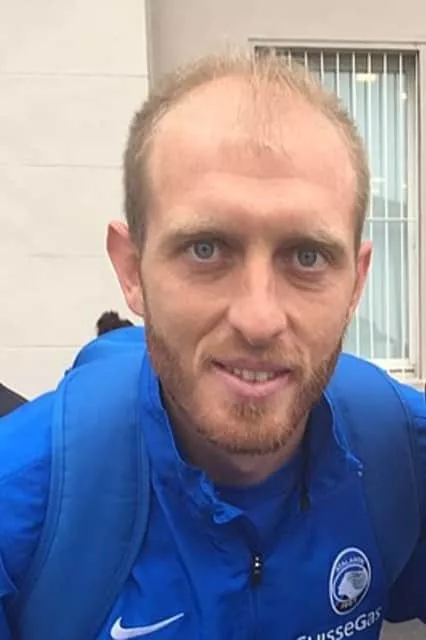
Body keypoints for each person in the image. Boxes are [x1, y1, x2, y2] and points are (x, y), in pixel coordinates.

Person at [0, 50, 425, 640]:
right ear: (131, 269)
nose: (259, 319)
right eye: (206, 249)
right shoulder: (20, 504)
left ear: (356, 282)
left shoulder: (402, 454)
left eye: (307, 256)